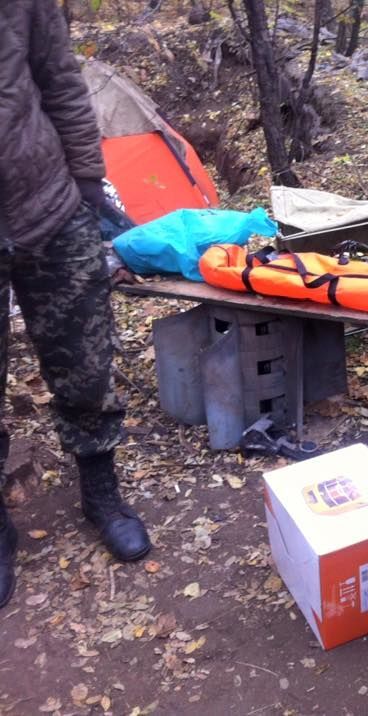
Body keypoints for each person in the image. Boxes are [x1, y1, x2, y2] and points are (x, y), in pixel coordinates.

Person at [0, 0, 152, 608]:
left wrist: (88, 183)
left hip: (48, 203)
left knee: (86, 362)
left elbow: (59, 78)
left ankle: (101, 492)